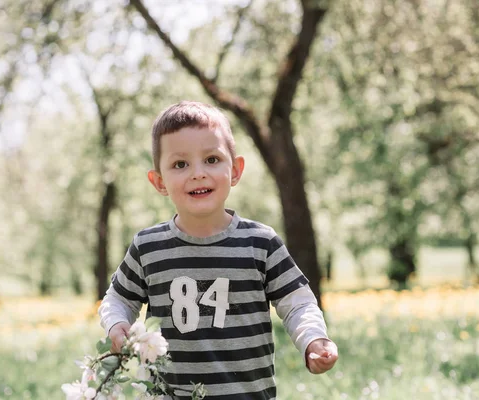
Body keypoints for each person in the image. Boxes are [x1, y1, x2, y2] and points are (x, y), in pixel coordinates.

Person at [99, 101, 338, 399]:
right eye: (180, 164)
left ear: (235, 170)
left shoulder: (260, 243)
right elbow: (118, 299)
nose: (198, 173)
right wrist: (118, 323)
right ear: (159, 181)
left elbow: (298, 303)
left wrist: (313, 340)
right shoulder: (148, 248)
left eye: (211, 159)